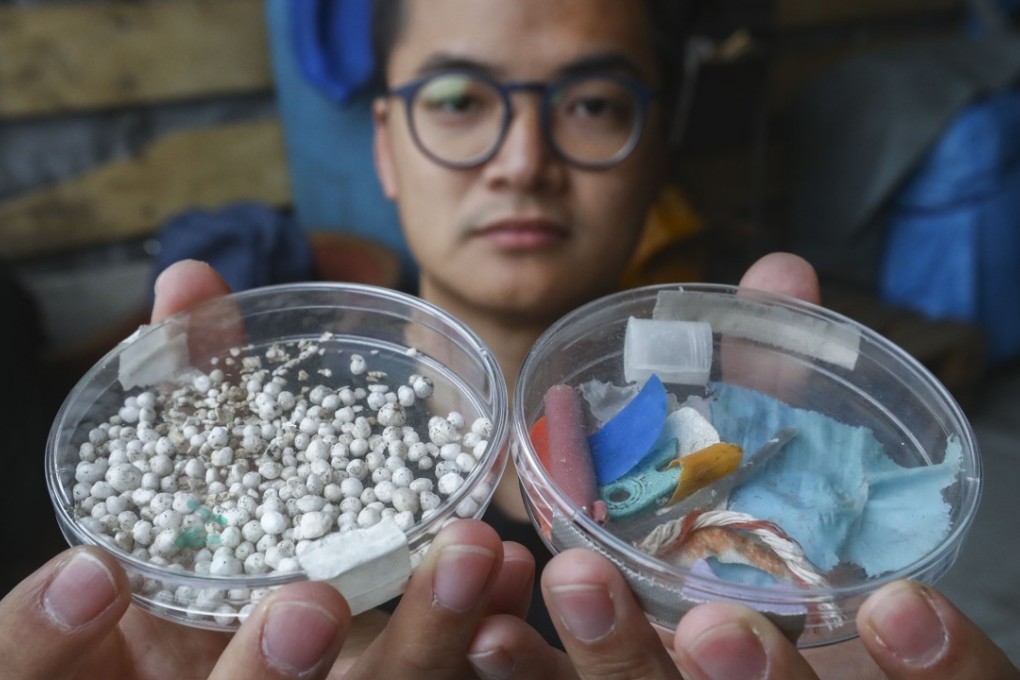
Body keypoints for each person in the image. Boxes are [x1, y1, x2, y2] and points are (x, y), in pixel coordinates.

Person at [1, 1, 1016, 678]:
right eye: (457, 100)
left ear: (655, 147)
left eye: (589, 102)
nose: (522, 161)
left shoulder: (696, 486)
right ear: (383, 145)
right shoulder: (321, 423)